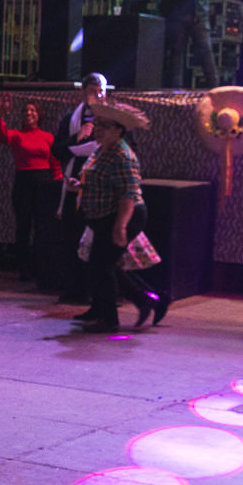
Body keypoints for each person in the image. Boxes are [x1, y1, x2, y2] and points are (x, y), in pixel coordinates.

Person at [75, 101, 169, 333]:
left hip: (121, 215)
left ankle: (110, 319)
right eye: (97, 124)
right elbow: (96, 178)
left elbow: (129, 193)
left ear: (119, 130)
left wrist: (120, 226)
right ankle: (144, 300)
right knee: (101, 265)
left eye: (105, 126)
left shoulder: (123, 155)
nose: (98, 129)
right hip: (103, 216)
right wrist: (78, 185)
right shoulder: (102, 149)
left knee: (101, 266)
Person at [51, 72, 109, 304]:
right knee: (73, 238)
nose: (98, 95)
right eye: (92, 91)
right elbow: (57, 150)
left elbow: (130, 146)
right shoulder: (71, 119)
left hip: (101, 187)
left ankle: (98, 293)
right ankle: (75, 289)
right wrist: (78, 136)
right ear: (83, 93)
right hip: (74, 184)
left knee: (98, 241)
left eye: (101, 91)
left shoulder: (114, 118)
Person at [0, 94, 62, 282]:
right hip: (24, 183)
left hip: (44, 183)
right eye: (26, 110)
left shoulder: (47, 137)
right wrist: (2, 113)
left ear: (39, 115)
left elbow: (55, 163)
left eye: (32, 110)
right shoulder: (17, 135)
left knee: (42, 226)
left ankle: (41, 268)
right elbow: (1, 135)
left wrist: (58, 184)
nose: (29, 113)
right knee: (23, 226)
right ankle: (24, 268)